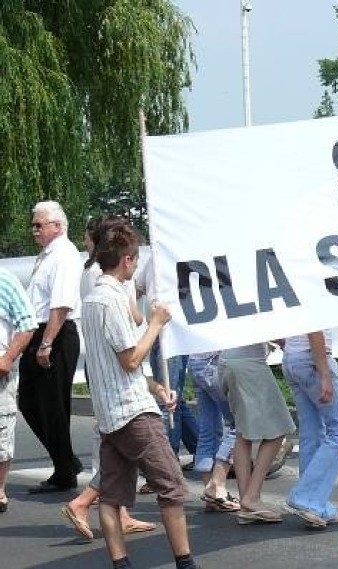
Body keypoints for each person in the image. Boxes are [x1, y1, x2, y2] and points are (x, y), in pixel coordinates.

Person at [80, 222, 200, 569]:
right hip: (132, 412)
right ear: (128, 261)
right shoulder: (111, 299)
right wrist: (156, 323)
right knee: (172, 486)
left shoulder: (91, 300)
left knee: (112, 493)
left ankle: (121, 564)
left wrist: (157, 387)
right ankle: (185, 561)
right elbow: (130, 358)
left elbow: (118, 362)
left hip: (109, 412)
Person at [62, 216, 155, 540]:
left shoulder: (92, 274)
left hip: (104, 370)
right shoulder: (108, 281)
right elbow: (134, 317)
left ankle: (114, 511)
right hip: (119, 372)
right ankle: (88, 502)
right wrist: (155, 323)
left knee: (115, 447)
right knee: (125, 448)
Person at [20, 200, 84, 493]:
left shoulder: (64, 256)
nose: (34, 230)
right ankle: (66, 460)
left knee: (53, 406)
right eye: (33, 224)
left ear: (57, 226)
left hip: (54, 334)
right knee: (31, 403)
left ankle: (64, 471)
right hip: (40, 333)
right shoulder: (48, 255)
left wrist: (46, 344)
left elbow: (61, 304)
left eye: (39, 225)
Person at [282, 330, 338, 529]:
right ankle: (306, 497)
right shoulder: (317, 297)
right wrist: (325, 374)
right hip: (311, 359)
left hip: (292, 358)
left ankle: (315, 505)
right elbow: (315, 329)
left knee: (312, 432)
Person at [219, 341, 295, 524]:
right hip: (249, 363)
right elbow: (279, 335)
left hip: (227, 361)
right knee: (279, 428)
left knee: (242, 434)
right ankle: (252, 497)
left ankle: (247, 506)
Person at [136, 257, 197, 467]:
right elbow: (138, 287)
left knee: (167, 401)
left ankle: (167, 463)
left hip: (172, 335)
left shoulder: (175, 254)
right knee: (173, 399)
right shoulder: (154, 257)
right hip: (156, 333)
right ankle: (201, 450)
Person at [0, 267, 38, 513]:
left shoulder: (5, 280)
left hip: (0, 366)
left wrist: (8, 358)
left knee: (1, 429)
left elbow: (28, 322)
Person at [186, 351, 239, 512]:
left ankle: (211, 493)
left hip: (195, 361)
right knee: (240, 424)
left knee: (207, 430)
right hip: (215, 361)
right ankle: (216, 485)